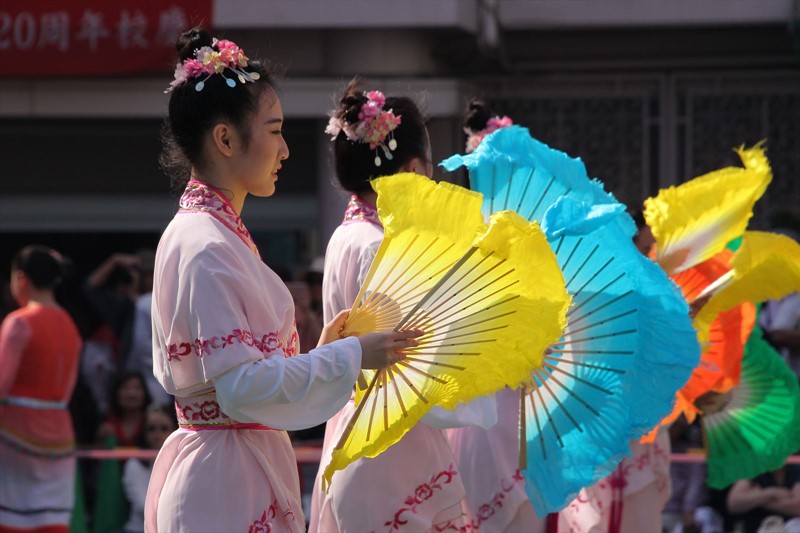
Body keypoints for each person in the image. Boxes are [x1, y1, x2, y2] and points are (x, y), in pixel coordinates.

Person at [144, 29, 421, 533]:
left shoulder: (213, 235)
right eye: (274, 131)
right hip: (224, 478)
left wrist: (328, 352)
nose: (285, 149)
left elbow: (240, 378)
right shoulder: (205, 243)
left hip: (234, 465)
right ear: (225, 139)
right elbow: (240, 388)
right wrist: (351, 355)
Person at [308, 81, 497, 532]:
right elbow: (411, 370)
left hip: (356, 427)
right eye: (430, 165)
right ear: (413, 168)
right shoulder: (379, 247)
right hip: (390, 445)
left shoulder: (345, 236)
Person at [0, 245, 82, 532]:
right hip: (60, 435)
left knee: (11, 518)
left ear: (21, 278)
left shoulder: (19, 322)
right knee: (52, 519)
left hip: (15, 433)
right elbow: (68, 389)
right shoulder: (70, 325)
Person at [120, 403, 178, 533]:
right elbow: (143, 506)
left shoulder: (182, 461)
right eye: (151, 429)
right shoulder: (134, 463)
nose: (157, 434)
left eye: (164, 428)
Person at [96, 371, 152, 448]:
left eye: (137, 388)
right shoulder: (107, 423)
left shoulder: (153, 421)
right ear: (117, 393)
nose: (132, 394)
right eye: (125, 388)